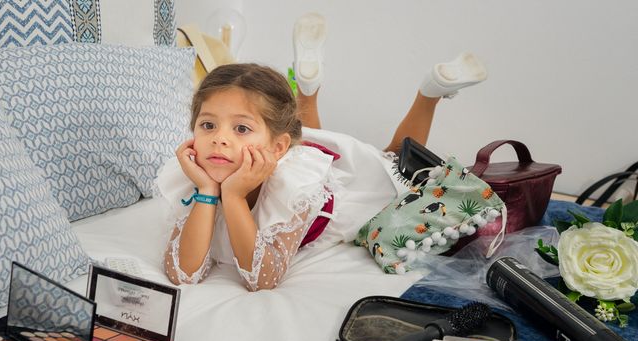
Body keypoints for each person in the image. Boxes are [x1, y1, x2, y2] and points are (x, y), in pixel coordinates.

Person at [161, 12, 487, 291]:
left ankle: (429, 93)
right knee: (308, 132)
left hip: (341, 181)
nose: (219, 140)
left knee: (395, 158)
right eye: (207, 126)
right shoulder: (201, 174)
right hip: (292, 144)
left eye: (241, 128)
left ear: (277, 149)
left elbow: (262, 280)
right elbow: (183, 273)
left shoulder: (297, 187)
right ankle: (308, 89)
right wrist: (207, 191)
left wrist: (231, 198)